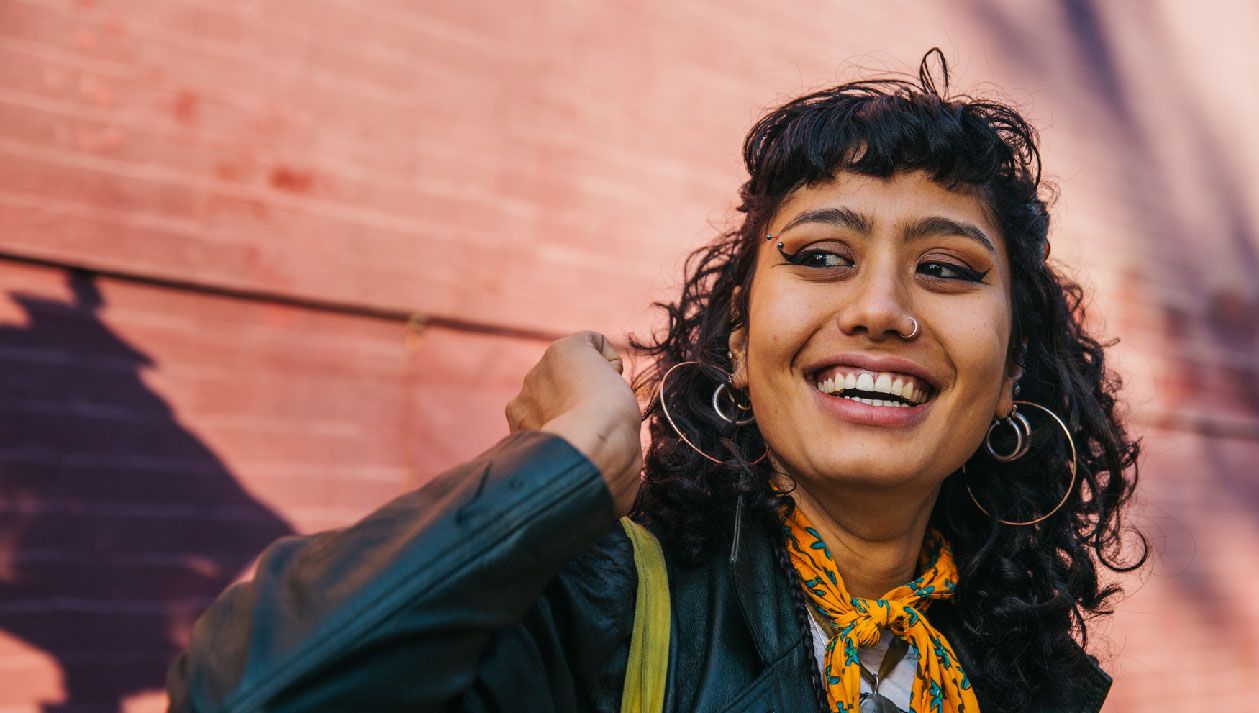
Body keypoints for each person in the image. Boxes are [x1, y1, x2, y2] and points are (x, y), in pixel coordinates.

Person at [166, 50, 1141, 713]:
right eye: (820, 255)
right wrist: (559, 467)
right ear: (743, 335)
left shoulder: (1028, 671)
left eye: (947, 268)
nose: (881, 306)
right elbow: (248, 692)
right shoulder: (596, 606)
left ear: (1013, 372)